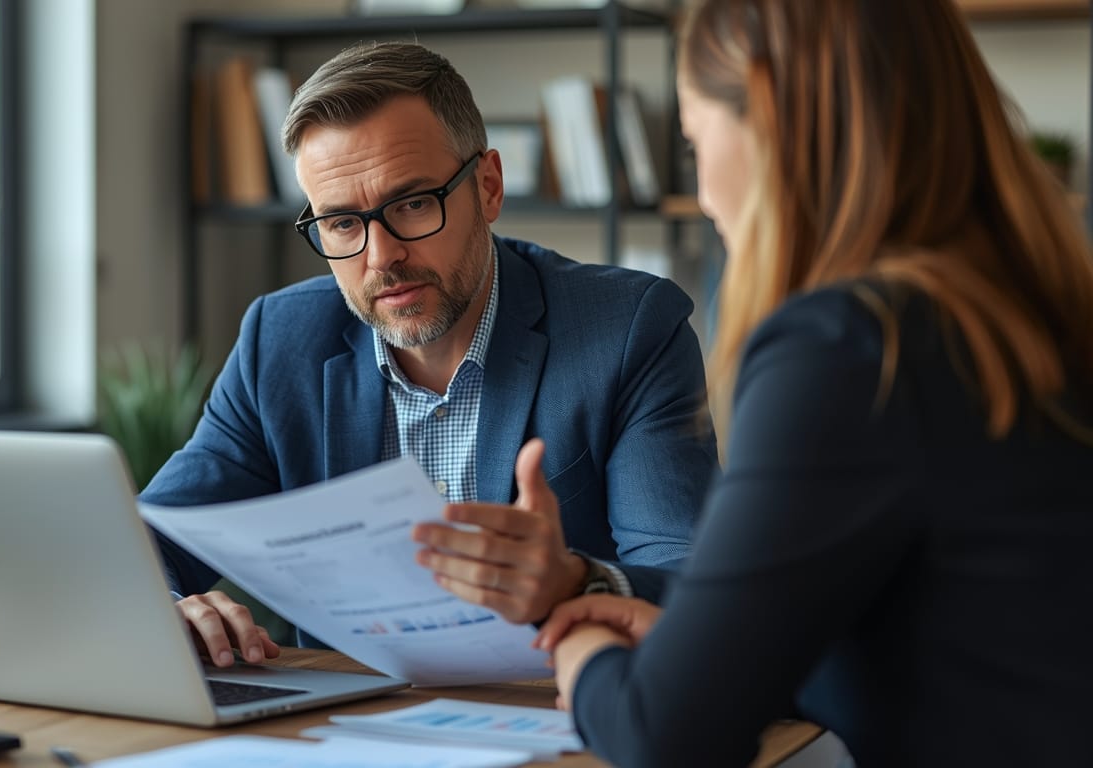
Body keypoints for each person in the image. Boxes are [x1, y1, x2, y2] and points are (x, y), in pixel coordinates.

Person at [522, 0, 1093, 765]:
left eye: (695, 144)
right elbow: (958, 643)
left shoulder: (850, 346)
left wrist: (581, 646)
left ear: (764, 111)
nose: (709, 192)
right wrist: (702, 650)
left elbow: (666, 737)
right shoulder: (1024, 310)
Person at [138, 41, 717, 669]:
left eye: (413, 204)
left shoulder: (627, 330)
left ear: (489, 188)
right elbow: (150, 538)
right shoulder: (279, 340)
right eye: (341, 224)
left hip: (561, 718)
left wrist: (578, 582)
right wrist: (167, 604)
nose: (380, 256)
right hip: (348, 732)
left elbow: (691, 580)